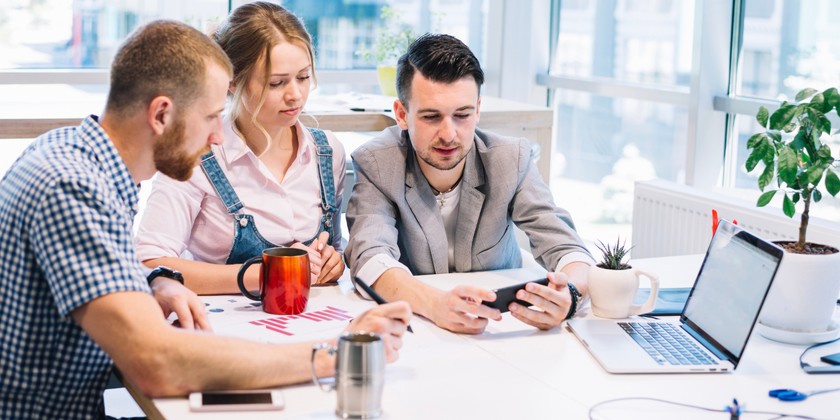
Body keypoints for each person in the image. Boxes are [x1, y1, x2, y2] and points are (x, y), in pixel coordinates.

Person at [0, 20, 410, 418]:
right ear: (161, 115)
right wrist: (335, 352)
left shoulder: (71, 152)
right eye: (212, 116)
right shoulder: (74, 188)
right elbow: (158, 363)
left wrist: (152, 280)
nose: (218, 136)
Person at [345, 33, 592, 335]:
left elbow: (567, 246)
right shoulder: (376, 163)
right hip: (420, 330)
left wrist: (570, 296)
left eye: (462, 115)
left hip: (503, 329)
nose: (449, 134)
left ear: (477, 110)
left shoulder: (510, 158)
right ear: (402, 114)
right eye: (431, 117)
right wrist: (435, 305)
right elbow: (370, 259)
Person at [136, 2, 345, 294]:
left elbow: (334, 247)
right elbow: (148, 263)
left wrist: (335, 261)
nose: (295, 95)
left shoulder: (328, 152)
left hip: (313, 319)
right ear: (232, 81)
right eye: (276, 83)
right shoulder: (196, 156)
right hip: (223, 326)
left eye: (303, 77)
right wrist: (260, 275)